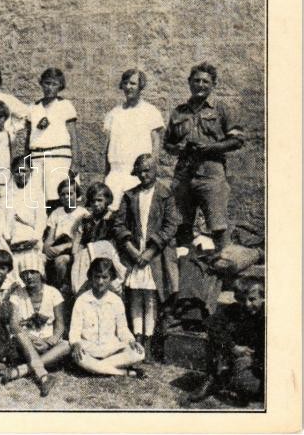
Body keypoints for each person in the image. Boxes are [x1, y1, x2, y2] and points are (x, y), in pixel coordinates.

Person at [163, 63, 244, 251]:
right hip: (183, 176)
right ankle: (187, 265)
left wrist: (210, 148)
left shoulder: (221, 109)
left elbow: (237, 140)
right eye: (196, 80)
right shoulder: (179, 112)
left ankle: (224, 265)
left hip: (211, 175)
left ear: (213, 84)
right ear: (189, 82)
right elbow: (167, 144)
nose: (200, 85)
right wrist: (179, 148)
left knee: (218, 227)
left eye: (205, 82)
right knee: (181, 226)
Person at [113, 154, 179, 362]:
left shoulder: (165, 194)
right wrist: (131, 249)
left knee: (150, 297)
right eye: (140, 171)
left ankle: (148, 340)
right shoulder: (130, 195)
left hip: (156, 254)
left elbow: (171, 225)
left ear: (155, 170)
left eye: (147, 170)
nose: (144, 175)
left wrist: (151, 251)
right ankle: (137, 337)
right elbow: (118, 224)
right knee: (135, 296)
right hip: (134, 251)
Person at [186, 277, 264, 405]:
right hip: (237, 356)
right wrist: (233, 347)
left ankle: (231, 379)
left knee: (247, 385)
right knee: (214, 336)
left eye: (252, 299)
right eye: (242, 300)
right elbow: (211, 325)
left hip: (258, 363)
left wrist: (253, 359)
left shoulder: (267, 316)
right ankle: (211, 380)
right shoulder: (235, 309)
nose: (247, 304)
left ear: (263, 297)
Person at [1, 261, 70, 396]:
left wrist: (51, 341)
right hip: (25, 343)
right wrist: (32, 339)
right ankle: (43, 375)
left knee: (67, 345)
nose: (29, 276)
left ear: (40, 273)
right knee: (19, 334)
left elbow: (60, 323)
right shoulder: (17, 295)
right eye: (25, 273)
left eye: (33, 272)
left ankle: (23, 369)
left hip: (48, 344)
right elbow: (14, 324)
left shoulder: (53, 292)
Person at [69, 258, 145, 377]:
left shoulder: (116, 301)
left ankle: (95, 368)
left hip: (111, 349)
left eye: (105, 277)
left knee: (139, 353)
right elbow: (75, 330)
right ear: (91, 277)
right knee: (79, 357)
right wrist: (76, 343)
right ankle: (126, 372)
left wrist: (131, 341)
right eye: (97, 277)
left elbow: (122, 329)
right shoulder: (81, 300)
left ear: (111, 278)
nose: (100, 282)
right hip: (89, 350)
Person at [103, 70, 165, 209]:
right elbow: (108, 147)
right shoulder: (113, 113)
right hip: (116, 173)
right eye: (125, 83)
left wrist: (150, 172)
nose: (128, 87)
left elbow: (156, 143)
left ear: (140, 86)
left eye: (132, 83)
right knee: (111, 211)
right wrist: (106, 174)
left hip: (138, 174)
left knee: (136, 212)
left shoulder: (150, 111)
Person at [25, 68, 80, 209]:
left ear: (60, 86)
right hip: (37, 159)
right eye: (47, 83)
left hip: (59, 158)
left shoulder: (65, 105)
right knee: (38, 199)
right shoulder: (33, 108)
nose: (50, 87)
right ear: (41, 84)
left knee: (59, 197)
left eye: (54, 84)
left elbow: (74, 136)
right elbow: (28, 137)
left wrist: (75, 163)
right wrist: (27, 161)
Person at [4, 155, 47, 285]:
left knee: (31, 269)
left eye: (24, 170)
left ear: (30, 171)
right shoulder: (7, 193)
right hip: (12, 242)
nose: (20, 174)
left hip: (31, 241)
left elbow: (41, 219)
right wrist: (8, 238)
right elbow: (4, 218)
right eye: (17, 171)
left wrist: (35, 238)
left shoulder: (37, 193)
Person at [43, 178, 88, 293]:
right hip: (58, 246)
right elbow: (50, 236)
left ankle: (62, 289)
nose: (66, 197)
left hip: (75, 249)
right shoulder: (56, 212)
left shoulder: (83, 213)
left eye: (70, 193)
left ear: (77, 195)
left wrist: (64, 247)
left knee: (61, 261)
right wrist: (47, 247)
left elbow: (83, 240)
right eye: (63, 194)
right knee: (41, 258)